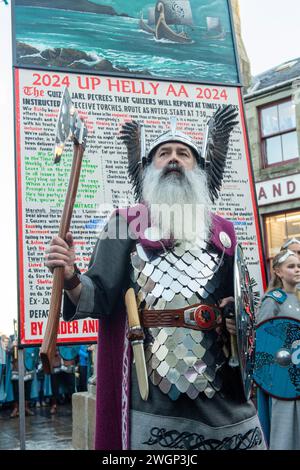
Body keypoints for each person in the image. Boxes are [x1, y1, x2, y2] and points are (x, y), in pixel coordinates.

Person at [45, 110, 265, 450]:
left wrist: (234, 316)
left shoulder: (223, 231)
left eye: (183, 154)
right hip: (153, 391)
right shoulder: (124, 224)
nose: (174, 159)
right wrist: (72, 274)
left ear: (200, 168)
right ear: (149, 167)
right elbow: (98, 296)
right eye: (164, 153)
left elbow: (240, 302)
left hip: (223, 393)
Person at [256, 249, 300, 449]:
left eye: (299, 265)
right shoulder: (273, 299)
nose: (297, 270)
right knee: (285, 430)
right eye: (291, 266)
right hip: (283, 377)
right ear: (278, 272)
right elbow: (263, 340)